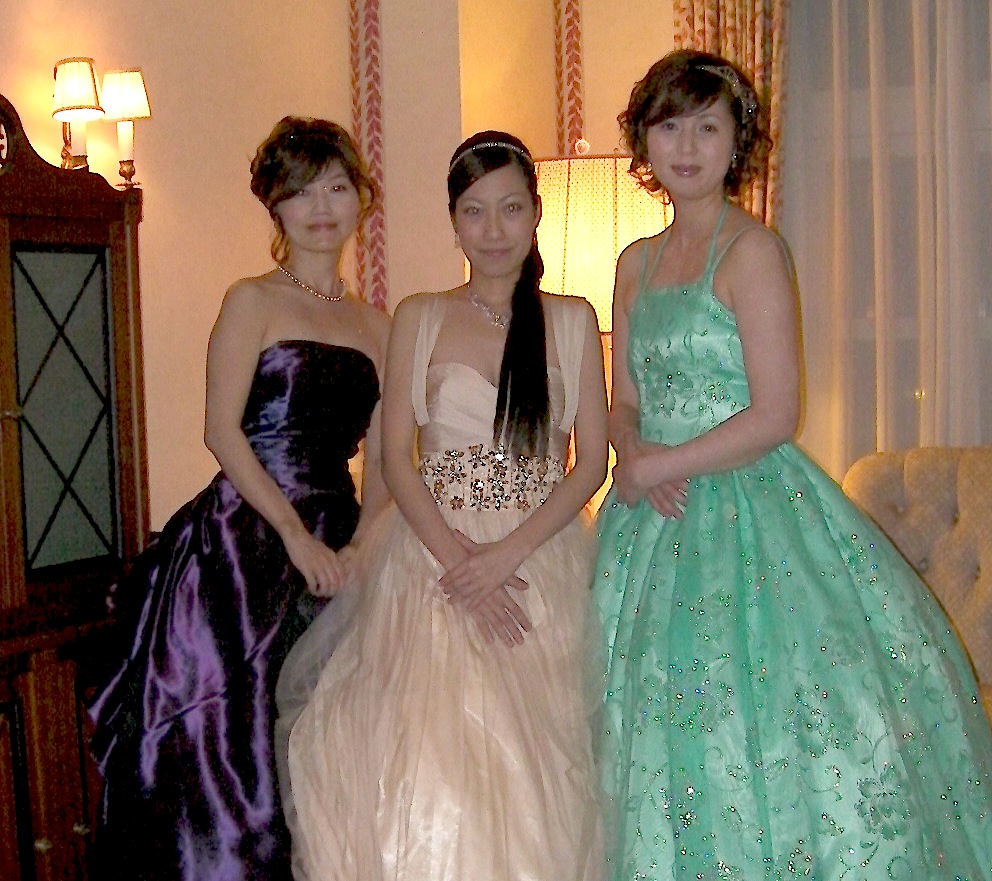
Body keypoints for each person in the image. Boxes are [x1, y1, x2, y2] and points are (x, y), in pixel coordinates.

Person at [594, 49, 992, 880]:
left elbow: (777, 413)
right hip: (646, 520)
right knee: (645, 725)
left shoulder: (753, 251)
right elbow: (623, 397)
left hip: (746, 507)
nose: (688, 146)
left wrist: (666, 463)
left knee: (745, 721)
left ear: (737, 140)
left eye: (708, 127)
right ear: (644, 140)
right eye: (670, 126)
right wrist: (632, 451)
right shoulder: (633, 262)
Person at [287, 131, 609, 881]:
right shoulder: (420, 314)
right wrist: (461, 560)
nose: (493, 230)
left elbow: (589, 463)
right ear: (453, 220)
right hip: (432, 554)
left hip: (537, 555)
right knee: (428, 759)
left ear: (536, 214)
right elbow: (397, 459)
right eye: (474, 211)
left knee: (540, 767)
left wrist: (503, 558)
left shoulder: (571, 319)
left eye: (510, 209)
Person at [87, 116, 390, 881]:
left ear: (360, 198)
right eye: (301, 191)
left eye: (336, 188)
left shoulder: (379, 325)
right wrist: (294, 535)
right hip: (243, 541)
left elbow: (389, 457)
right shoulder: (251, 300)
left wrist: (361, 546)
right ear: (275, 204)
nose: (321, 207)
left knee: (328, 748)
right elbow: (221, 431)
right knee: (232, 750)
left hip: (343, 537)